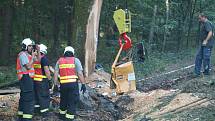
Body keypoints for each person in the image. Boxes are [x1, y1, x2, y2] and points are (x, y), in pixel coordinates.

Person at [54, 46, 86, 121]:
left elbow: (55, 73)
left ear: (64, 52)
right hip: (72, 85)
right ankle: (69, 118)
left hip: (63, 85)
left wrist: (55, 84)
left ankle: (62, 116)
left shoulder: (59, 61)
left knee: (63, 100)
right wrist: (83, 84)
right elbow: (80, 73)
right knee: (72, 101)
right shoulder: (75, 60)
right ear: (73, 53)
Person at [16, 38, 40, 121]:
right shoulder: (22, 55)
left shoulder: (28, 55)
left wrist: (38, 50)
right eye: (29, 46)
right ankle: (26, 118)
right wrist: (33, 57)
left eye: (31, 46)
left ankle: (21, 116)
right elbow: (28, 67)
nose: (31, 47)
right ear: (25, 46)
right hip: (25, 78)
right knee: (28, 98)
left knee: (24, 97)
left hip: (28, 78)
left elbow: (38, 60)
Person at [33, 44, 52, 117]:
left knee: (36, 96)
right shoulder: (44, 59)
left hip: (34, 81)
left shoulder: (34, 59)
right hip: (42, 81)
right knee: (44, 96)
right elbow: (47, 71)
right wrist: (50, 80)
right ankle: (44, 112)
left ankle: (36, 111)